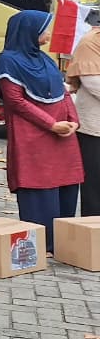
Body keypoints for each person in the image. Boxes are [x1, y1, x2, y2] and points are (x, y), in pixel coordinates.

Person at [0, 10, 83, 252]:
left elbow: (63, 92)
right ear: (29, 31)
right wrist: (51, 124)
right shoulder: (9, 61)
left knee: (66, 183)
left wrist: (73, 120)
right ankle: (41, 244)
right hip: (33, 135)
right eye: (44, 29)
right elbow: (16, 101)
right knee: (39, 184)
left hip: (63, 135)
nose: (48, 33)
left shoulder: (45, 59)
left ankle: (62, 242)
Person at [66, 17, 100, 215]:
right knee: (95, 188)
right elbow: (95, 84)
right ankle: (92, 230)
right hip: (94, 129)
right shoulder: (90, 42)